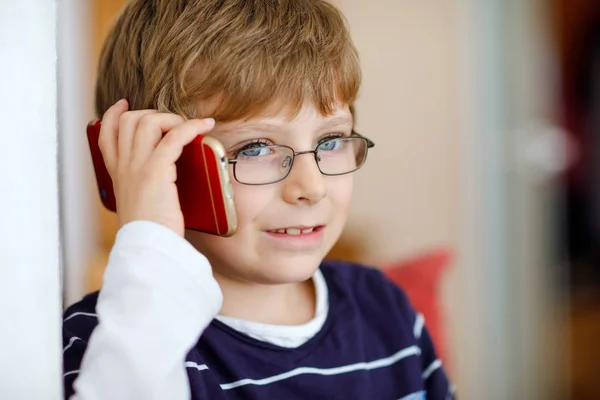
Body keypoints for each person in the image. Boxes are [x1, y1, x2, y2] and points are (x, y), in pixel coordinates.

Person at [62, 0, 455, 399]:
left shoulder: (384, 308)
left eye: (330, 141)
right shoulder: (118, 340)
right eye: (255, 149)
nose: (312, 187)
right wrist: (151, 238)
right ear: (161, 162)